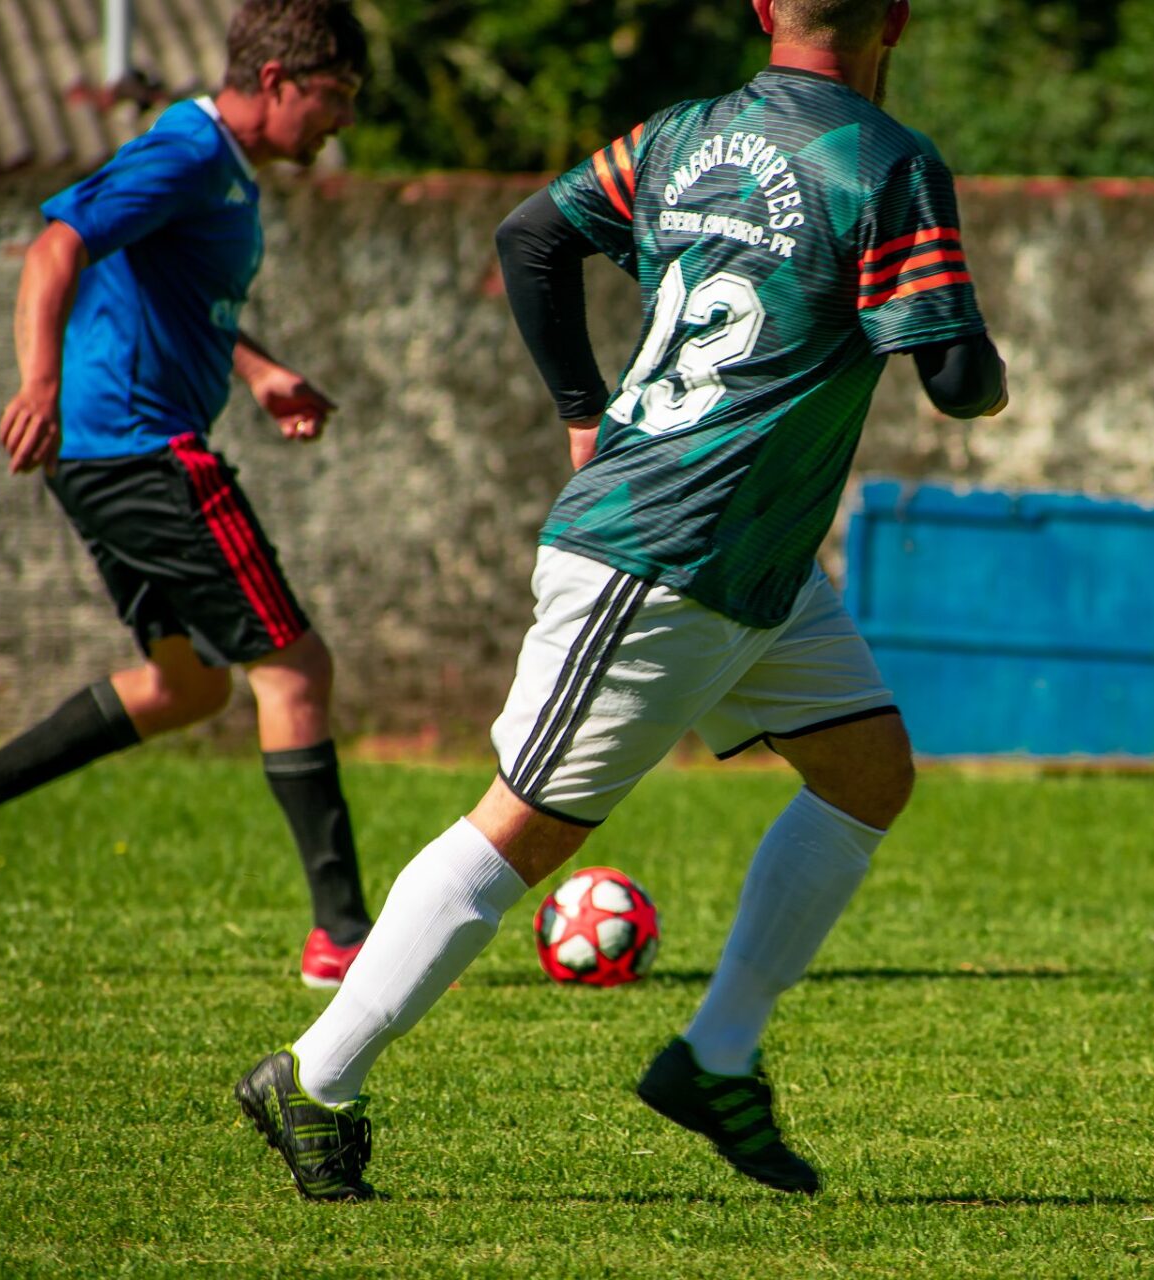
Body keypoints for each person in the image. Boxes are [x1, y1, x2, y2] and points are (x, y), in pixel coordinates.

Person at [235, 0, 1009, 1202]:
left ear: (761, 8)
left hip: (753, 559)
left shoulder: (684, 132)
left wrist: (581, 408)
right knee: (522, 829)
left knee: (868, 774)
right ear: (899, 16)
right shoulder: (884, 160)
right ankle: (315, 1075)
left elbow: (531, 237)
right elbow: (957, 384)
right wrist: (972, 336)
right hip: (665, 554)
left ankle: (715, 1058)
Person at [0, 0, 377, 989]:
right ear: (280, 81)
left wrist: (255, 370)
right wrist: (36, 382)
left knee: (187, 682)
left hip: (109, 454)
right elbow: (57, 245)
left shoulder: (216, 170)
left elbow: (158, 289)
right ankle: (343, 938)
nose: (342, 122)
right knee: (294, 666)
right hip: (141, 449)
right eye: (336, 96)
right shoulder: (188, 151)